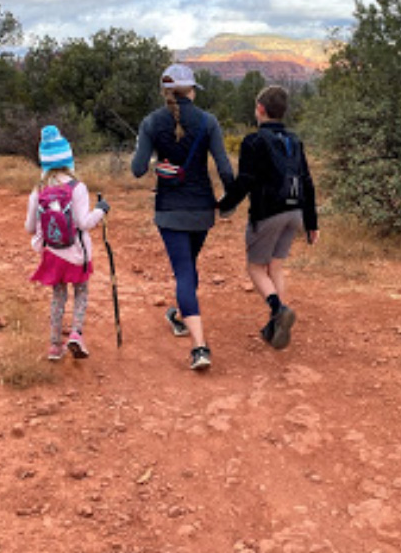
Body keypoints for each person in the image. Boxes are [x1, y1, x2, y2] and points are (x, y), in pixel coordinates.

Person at [131, 63, 234, 371]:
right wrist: (229, 202)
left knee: (184, 272)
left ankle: (199, 347)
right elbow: (224, 168)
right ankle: (178, 316)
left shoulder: (151, 122)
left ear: (165, 91)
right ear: (191, 90)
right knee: (188, 268)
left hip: (169, 211)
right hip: (202, 210)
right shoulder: (208, 121)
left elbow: (137, 170)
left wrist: (156, 162)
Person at [217, 85, 319, 350]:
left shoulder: (254, 141)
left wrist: (224, 205)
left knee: (255, 268)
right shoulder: (295, 140)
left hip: (267, 213)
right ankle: (275, 328)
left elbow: (245, 181)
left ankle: (278, 309)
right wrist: (312, 222)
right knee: (276, 267)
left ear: (260, 109)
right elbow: (307, 182)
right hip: (295, 212)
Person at [25, 125, 111, 361]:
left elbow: (30, 227)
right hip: (77, 254)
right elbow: (84, 223)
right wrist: (101, 210)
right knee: (81, 291)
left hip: (53, 254)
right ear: (68, 158)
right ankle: (75, 334)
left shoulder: (39, 190)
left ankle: (54, 346)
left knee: (58, 296)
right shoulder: (77, 187)